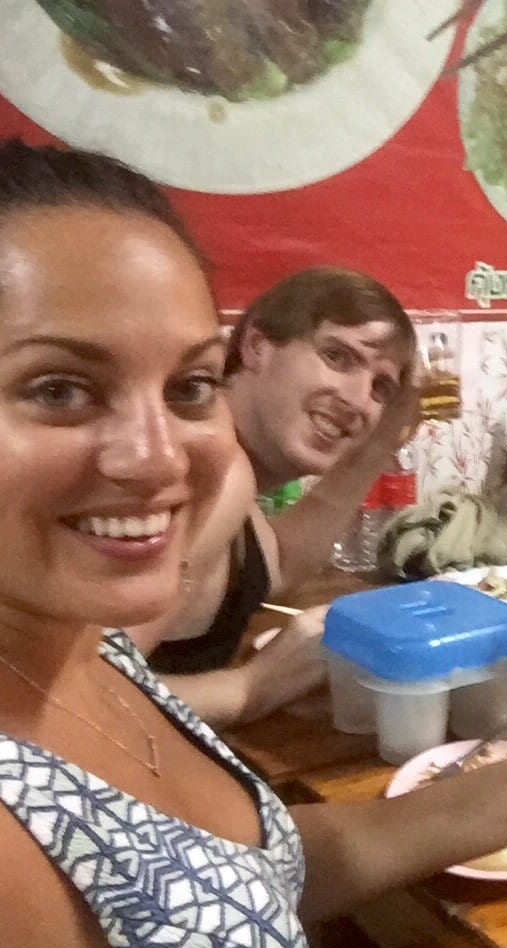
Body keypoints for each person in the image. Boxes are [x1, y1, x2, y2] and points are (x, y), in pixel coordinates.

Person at [0, 139, 507, 948]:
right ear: (258, 349)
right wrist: (252, 685)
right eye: (60, 390)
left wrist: (506, 796)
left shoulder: (89, 646)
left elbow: (238, 877)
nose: (159, 457)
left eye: (188, 386)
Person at [134, 268, 420, 728]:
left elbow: (277, 564)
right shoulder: (222, 473)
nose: (357, 398)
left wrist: (380, 442)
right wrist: (251, 688)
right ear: (256, 347)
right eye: (337, 356)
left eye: (380, 387)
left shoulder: (232, 471)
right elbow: (80, 696)